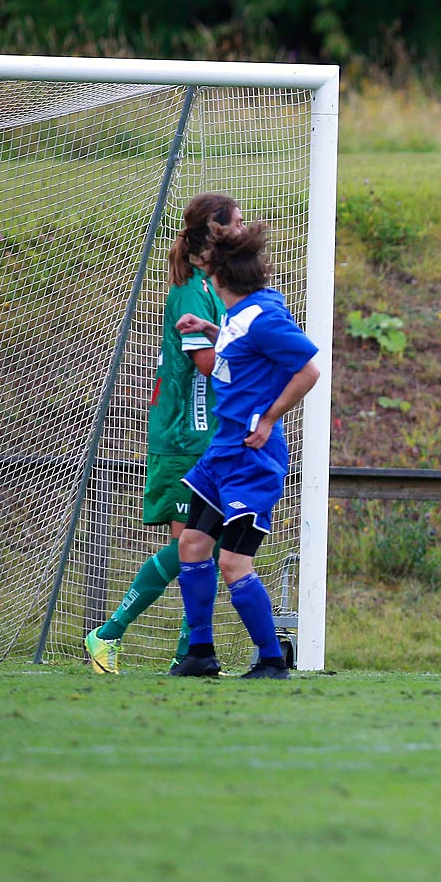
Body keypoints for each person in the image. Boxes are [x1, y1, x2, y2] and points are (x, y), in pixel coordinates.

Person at [85, 193, 236, 674]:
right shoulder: (191, 291)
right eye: (237, 222)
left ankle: (190, 655)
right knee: (192, 548)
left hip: (204, 435)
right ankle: (107, 634)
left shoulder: (210, 286)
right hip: (182, 440)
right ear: (215, 233)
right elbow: (207, 365)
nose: (245, 229)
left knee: (200, 553)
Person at [169, 218, 320, 679]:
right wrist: (211, 329)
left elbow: (309, 369)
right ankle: (200, 653)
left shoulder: (266, 316)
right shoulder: (241, 313)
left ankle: (273, 661)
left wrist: (270, 418)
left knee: (235, 563)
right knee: (192, 545)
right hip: (223, 451)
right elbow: (241, 349)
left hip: (253, 458)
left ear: (217, 277)